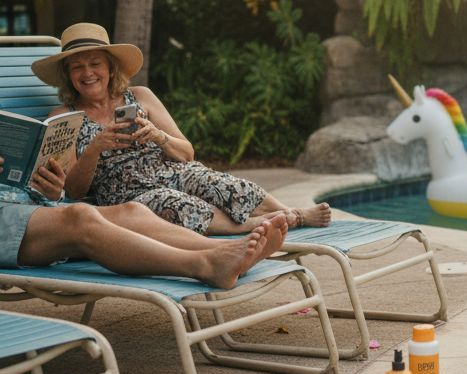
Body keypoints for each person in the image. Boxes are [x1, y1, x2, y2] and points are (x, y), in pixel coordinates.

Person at [0, 27, 284, 289]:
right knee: (81, 217)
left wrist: (51, 185)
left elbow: (49, 191)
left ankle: (226, 252)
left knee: (131, 211)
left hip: (21, 216)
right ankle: (205, 265)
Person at [31, 23, 332, 236]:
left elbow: (187, 154)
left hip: (172, 171)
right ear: (68, 76)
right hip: (126, 194)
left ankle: (292, 213)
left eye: (95, 63)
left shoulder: (141, 96)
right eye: (77, 67)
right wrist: (96, 147)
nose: (87, 73)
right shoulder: (63, 117)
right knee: (173, 203)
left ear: (110, 68)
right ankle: (252, 226)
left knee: (215, 181)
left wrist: (158, 135)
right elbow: (73, 191)